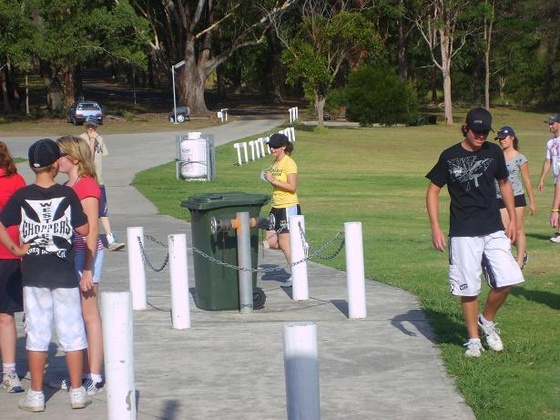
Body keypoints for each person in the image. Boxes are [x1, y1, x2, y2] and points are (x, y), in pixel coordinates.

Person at [0, 138, 91, 412]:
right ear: (55, 164)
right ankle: (77, 392)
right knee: (73, 333)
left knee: (37, 335)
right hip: (63, 274)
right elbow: (84, 230)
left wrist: (16, 248)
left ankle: (36, 394)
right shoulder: (68, 194)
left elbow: (2, 224)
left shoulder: (22, 195)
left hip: (34, 275)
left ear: (30, 166)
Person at [425, 107, 525, 358]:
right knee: (468, 288)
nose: (481, 136)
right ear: (466, 129)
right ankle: (473, 340)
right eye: (477, 131)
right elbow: (433, 191)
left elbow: (504, 183)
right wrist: (435, 227)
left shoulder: (493, 152)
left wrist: (512, 218)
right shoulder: (449, 156)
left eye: (485, 132)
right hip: (463, 232)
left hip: (493, 227)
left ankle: (486, 320)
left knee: (508, 279)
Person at [48, 136, 105, 395]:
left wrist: (88, 269)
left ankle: (94, 375)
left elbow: (92, 230)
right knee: (75, 316)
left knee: (89, 314)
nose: (55, 159)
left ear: (75, 157)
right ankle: (80, 373)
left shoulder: (87, 185)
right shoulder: (66, 185)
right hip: (70, 255)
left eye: (59, 154)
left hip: (86, 255)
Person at [0, 142, 26, 394]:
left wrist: (23, 253)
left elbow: (27, 219)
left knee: (6, 315)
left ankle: (9, 371)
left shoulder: (14, 180)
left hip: (7, 255)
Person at [79, 116, 125, 251]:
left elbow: (100, 157)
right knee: (87, 212)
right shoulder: (81, 139)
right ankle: (85, 239)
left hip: (99, 181)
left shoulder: (100, 138)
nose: (90, 128)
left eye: (92, 125)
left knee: (103, 211)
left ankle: (110, 239)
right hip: (87, 180)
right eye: (88, 126)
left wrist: (96, 139)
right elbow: (89, 159)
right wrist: (92, 140)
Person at [262, 133, 301, 288]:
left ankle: (297, 274)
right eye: (271, 146)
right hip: (276, 206)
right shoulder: (275, 162)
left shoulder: (289, 163)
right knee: (270, 242)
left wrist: (273, 180)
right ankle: (298, 249)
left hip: (288, 206)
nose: (272, 149)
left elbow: (292, 187)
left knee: (284, 244)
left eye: (276, 146)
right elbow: (276, 181)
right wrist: (268, 177)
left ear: (283, 147)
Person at [494, 126, 536, 268]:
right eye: (499, 139)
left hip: (517, 196)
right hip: (499, 197)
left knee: (518, 229)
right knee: (505, 230)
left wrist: (532, 201)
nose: (501, 141)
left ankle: (519, 262)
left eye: (504, 138)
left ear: (512, 137)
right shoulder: (497, 155)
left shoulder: (520, 158)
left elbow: (527, 180)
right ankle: (522, 253)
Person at [537, 114, 560, 242]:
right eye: (549, 124)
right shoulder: (550, 142)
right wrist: (542, 179)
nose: (550, 126)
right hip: (557, 177)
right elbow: (548, 161)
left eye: (552, 123)